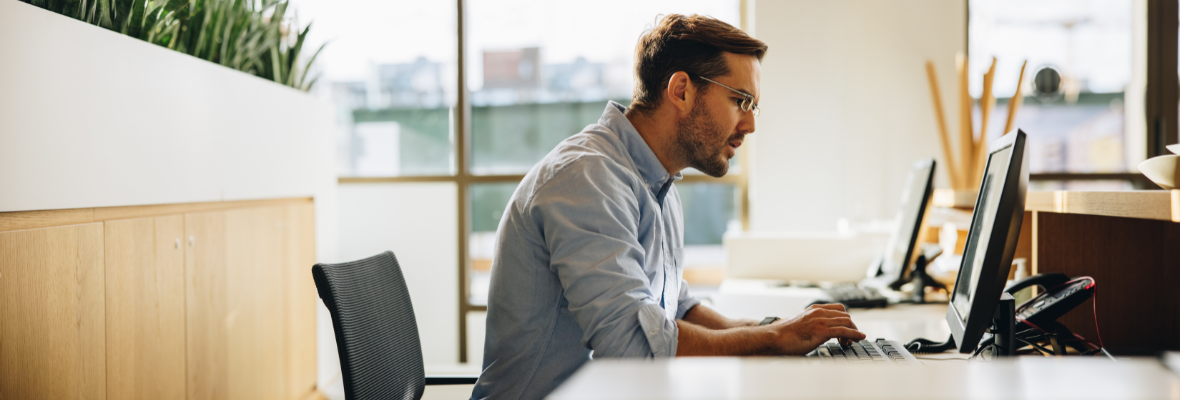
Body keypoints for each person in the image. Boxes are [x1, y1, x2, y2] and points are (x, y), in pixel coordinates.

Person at [470, 14, 865, 400]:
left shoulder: (657, 181)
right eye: (740, 100)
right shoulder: (588, 178)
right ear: (681, 90)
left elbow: (677, 308)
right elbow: (633, 347)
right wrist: (775, 339)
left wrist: (777, 328)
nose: (750, 125)